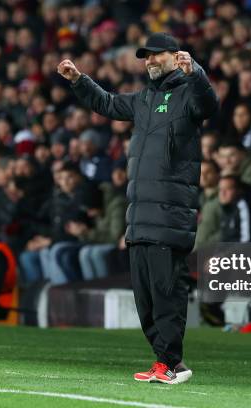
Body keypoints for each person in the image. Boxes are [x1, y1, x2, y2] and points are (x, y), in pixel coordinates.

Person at [58, 32, 218, 384]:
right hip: (140, 217)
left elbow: (209, 105)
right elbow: (108, 104)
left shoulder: (188, 93)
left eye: (155, 56)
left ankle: (174, 363)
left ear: (175, 57)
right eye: (145, 58)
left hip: (169, 215)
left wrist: (197, 72)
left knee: (166, 292)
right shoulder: (145, 99)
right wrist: (79, 81)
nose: (149, 62)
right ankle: (162, 362)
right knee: (145, 298)